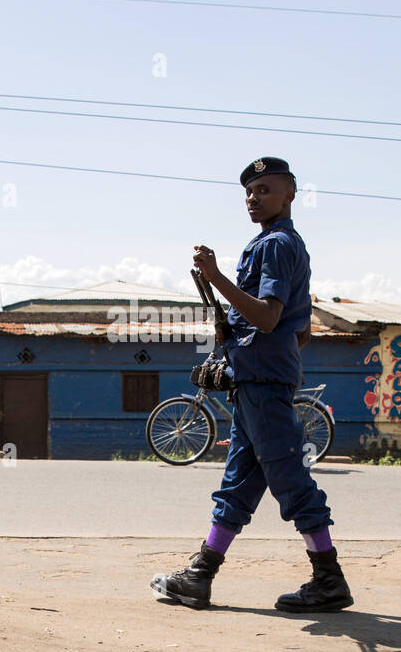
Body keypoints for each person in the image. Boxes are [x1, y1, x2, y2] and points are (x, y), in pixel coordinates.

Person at [151, 157, 353, 612]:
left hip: (264, 386)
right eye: (248, 191)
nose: (253, 197)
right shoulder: (271, 244)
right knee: (238, 484)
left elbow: (266, 316)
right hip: (255, 383)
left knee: (291, 479)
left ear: (290, 195)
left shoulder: (278, 244)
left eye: (264, 189)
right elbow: (297, 331)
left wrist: (216, 277)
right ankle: (199, 576)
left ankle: (329, 579)